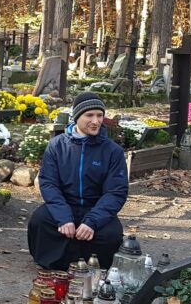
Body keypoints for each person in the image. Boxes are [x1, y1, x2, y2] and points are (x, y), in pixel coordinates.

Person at [27, 93, 128, 270]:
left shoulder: (113, 151)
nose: (96, 121)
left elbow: (115, 192)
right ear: (77, 117)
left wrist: (91, 221)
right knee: (40, 221)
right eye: (89, 115)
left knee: (111, 234)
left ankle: (92, 263)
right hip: (65, 205)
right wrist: (64, 218)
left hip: (95, 207)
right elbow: (49, 183)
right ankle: (56, 261)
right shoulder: (57, 145)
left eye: (99, 115)